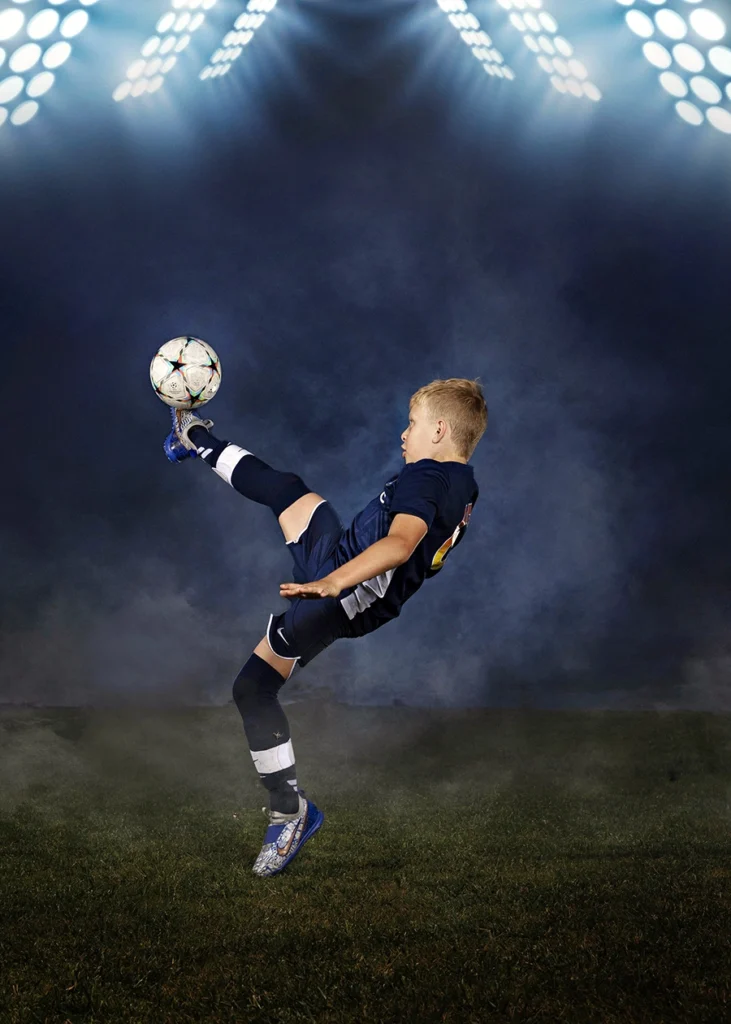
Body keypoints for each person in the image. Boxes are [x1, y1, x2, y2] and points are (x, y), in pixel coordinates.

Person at [163, 377, 487, 876]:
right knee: (286, 489)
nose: (404, 435)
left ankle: (289, 812)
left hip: (344, 597)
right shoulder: (463, 483)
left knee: (252, 688)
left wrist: (333, 582)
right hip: (337, 556)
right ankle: (194, 436)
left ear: (440, 430)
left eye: (414, 424)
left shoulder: (428, 478)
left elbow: (401, 545)